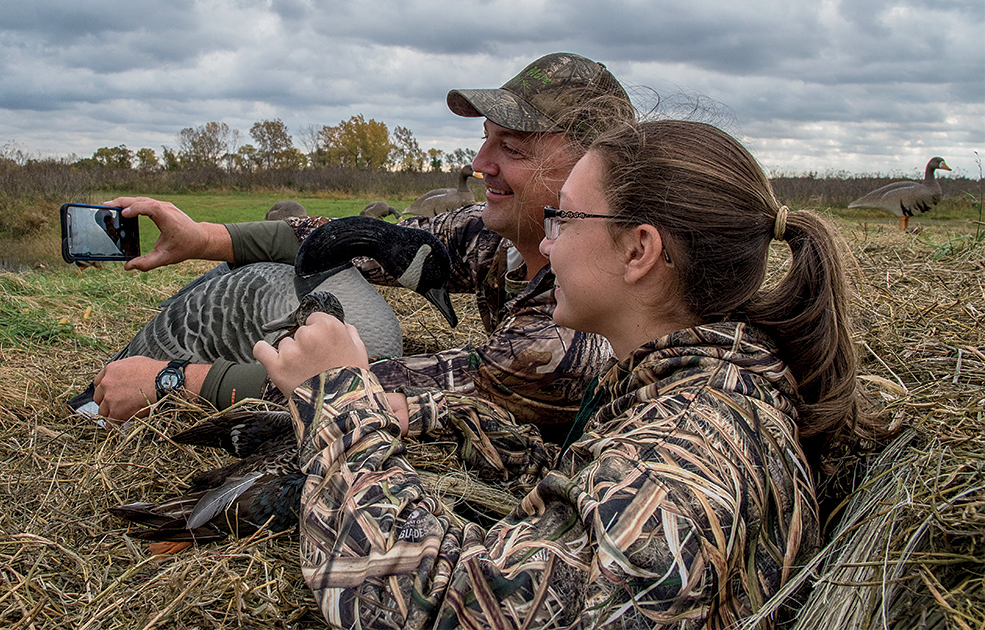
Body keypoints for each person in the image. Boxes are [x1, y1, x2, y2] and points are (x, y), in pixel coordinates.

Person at [253, 119, 895, 628]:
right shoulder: (706, 386)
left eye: (564, 217)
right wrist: (447, 421)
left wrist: (336, 402)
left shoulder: (677, 468)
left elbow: (421, 606)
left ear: (640, 250)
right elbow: (588, 497)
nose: (548, 242)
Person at [91, 53, 633, 439]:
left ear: (592, 168)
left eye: (510, 147)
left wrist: (171, 380)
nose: (479, 164)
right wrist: (205, 238)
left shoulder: (569, 336)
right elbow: (363, 241)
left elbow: (352, 390)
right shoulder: (498, 234)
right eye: (485, 138)